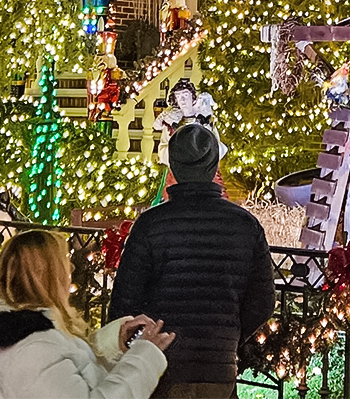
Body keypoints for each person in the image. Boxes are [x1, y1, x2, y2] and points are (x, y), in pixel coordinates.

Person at [110, 124, 275, 397]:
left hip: (161, 366)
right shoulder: (245, 225)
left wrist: (146, 343)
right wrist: (227, 336)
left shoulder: (150, 224)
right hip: (218, 369)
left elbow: (124, 306)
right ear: (214, 166)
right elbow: (263, 302)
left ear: (173, 167)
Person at [0, 229, 172, 398]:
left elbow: (68, 368)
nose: (71, 269)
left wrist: (113, 342)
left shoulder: (19, 330)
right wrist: (144, 359)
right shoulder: (34, 348)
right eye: (64, 261)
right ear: (46, 275)